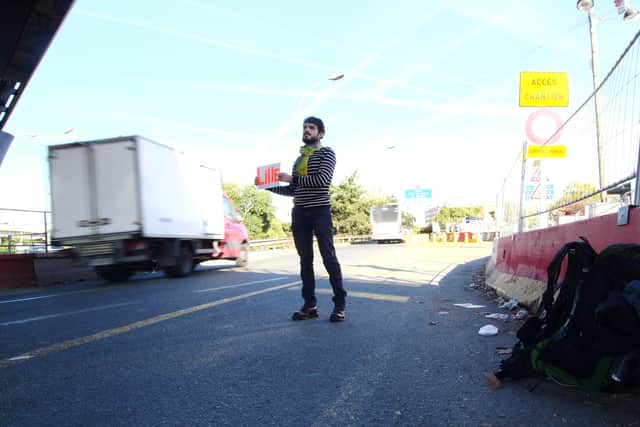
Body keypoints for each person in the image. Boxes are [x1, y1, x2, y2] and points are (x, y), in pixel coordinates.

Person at [256, 116, 347, 322]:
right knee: (305, 261)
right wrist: (266, 185)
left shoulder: (327, 153)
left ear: (320, 133)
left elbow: (322, 181)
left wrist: (293, 178)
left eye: (311, 128)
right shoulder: (298, 160)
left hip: (320, 211)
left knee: (329, 258)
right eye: (305, 127)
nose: (307, 130)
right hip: (300, 213)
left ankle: (340, 305)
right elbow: (293, 190)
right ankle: (309, 305)